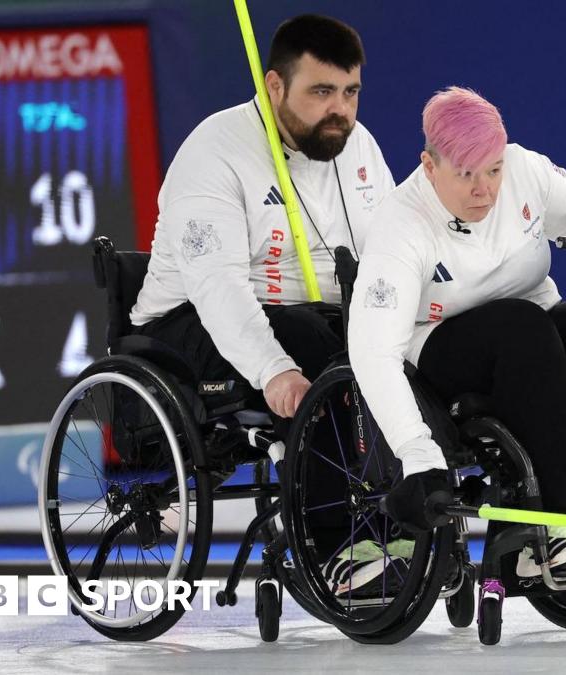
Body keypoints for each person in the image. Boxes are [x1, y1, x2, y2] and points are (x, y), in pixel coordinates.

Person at [127, 15, 397, 595]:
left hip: (316, 319)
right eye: (321, 92)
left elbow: (395, 254)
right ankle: (337, 546)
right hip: (188, 327)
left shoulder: (359, 147)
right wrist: (273, 369)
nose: (341, 110)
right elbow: (217, 287)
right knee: (310, 341)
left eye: (350, 92)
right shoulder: (214, 151)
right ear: (275, 86)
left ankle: (407, 525)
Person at [348, 87, 566, 577]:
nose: (484, 190)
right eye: (466, 174)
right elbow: (372, 350)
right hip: (440, 348)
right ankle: (547, 529)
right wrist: (416, 451)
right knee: (521, 326)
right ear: (430, 165)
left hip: (532, 328)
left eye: (492, 171)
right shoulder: (400, 223)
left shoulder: (523, 168)